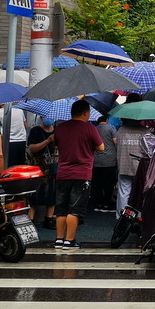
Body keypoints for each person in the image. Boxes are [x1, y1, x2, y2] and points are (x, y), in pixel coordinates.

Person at [53, 100, 104, 251]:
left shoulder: (60, 128)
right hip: (81, 173)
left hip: (63, 173)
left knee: (61, 208)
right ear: (85, 113)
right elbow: (101, 147)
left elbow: (57, 144)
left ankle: (59, 239)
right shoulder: (89, 128)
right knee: (74, 209)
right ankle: (69, 241)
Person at [115, 119, 153, 217]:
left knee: (123, 191)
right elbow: (150, 149)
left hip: (123, 164)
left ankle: (121, 216)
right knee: (139, 192)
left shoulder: (121, 130)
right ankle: (138, 216)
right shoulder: (145, 131)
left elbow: (116, 144)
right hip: (139, 166)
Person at [27, 117, 58, 227]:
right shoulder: (35, 130)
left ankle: (48, 219)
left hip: (53, 167)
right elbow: (32, 148)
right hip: (38, 166)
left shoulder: (57, 130)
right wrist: (47, 141)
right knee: (34, 193)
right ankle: (31, 219)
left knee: (52, 192)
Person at [90, 115, 118, 213]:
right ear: (106, 120)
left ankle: (98, 203)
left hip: (96, 160)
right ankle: (107, 203)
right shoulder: (111, 128)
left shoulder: (93, 129)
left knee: (97, 183)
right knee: (109, 183)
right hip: (110, 160)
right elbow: (116, 142)